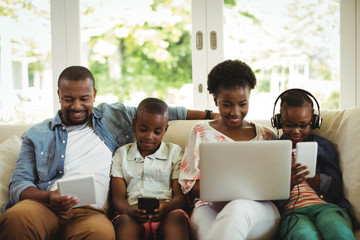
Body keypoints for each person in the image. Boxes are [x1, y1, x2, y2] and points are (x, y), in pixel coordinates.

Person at [0, 66, 217, 240]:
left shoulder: (114, 116)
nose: (77, 106)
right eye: (69, 99)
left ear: (94, 95)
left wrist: (214, 114)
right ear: (59, 95)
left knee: (101, 234)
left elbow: (168, 112)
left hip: (89, 213)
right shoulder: (37, 133)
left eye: (84, 98)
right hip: (45, 205)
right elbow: (19, 183)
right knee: (17, 218)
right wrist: (49, 197)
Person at [178, 59, 280, 240]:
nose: (235, 112)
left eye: (243, 104)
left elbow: (277, 183)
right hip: (209, 207)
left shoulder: (267, 135)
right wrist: (225, 194)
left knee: (238, 207)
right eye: (227, 104)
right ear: (215, 100)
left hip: (259, 209)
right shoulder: (200, 131)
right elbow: (189, 184)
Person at [273, 88, 355, 240]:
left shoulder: (323, 147)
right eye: (289, 124)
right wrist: (288, 184)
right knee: (304, 235)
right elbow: (269, 196)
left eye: (303, 125)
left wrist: (313, 178)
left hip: (325, 206)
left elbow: (337, 189)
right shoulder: (273, 150)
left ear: (314, 122)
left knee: (338, 232)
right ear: (278, 122)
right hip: (293, 212)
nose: (296, 131)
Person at [111, 97, 190, 240]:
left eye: (157, 132)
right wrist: (129, 210)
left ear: (165, 129)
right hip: (132, 215)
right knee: (124, 222)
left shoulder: (174, 153)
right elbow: (117, 198)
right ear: (134, 124)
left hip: (167, 213)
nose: (149, 136)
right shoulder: (121, 154)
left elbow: (180, 197)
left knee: (177, 219)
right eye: (143, 129)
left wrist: (166, 207)